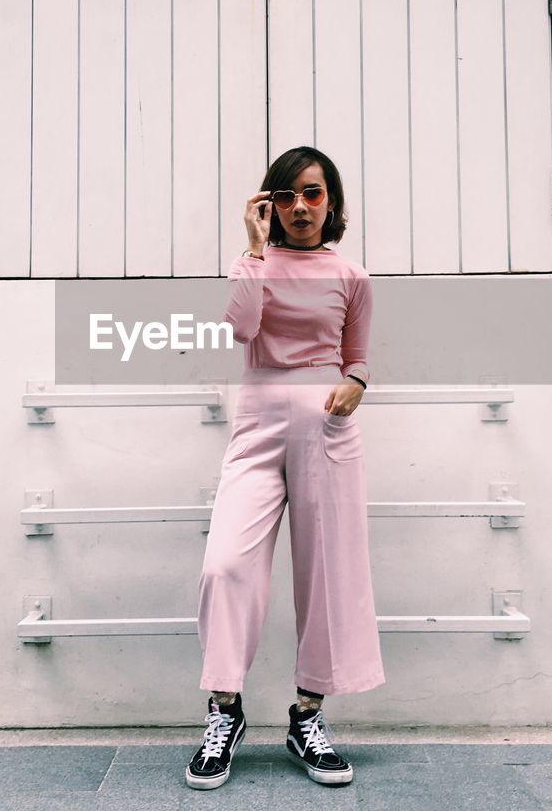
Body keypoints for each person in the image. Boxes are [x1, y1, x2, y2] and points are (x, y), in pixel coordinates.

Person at [185, 146, 384, 790]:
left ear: (332, 202)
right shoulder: (253, 264)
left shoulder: (351, 274)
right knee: (225, 563)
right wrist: (250, 248)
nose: (301, 207)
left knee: (327, 572)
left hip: (327, 425)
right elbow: (241, 331)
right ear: (268, 203)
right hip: (260, 421)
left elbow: (358, 355)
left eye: (313, 194)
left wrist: (355, 382)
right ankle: (225, 709)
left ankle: (307, 716)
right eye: (287, 195)